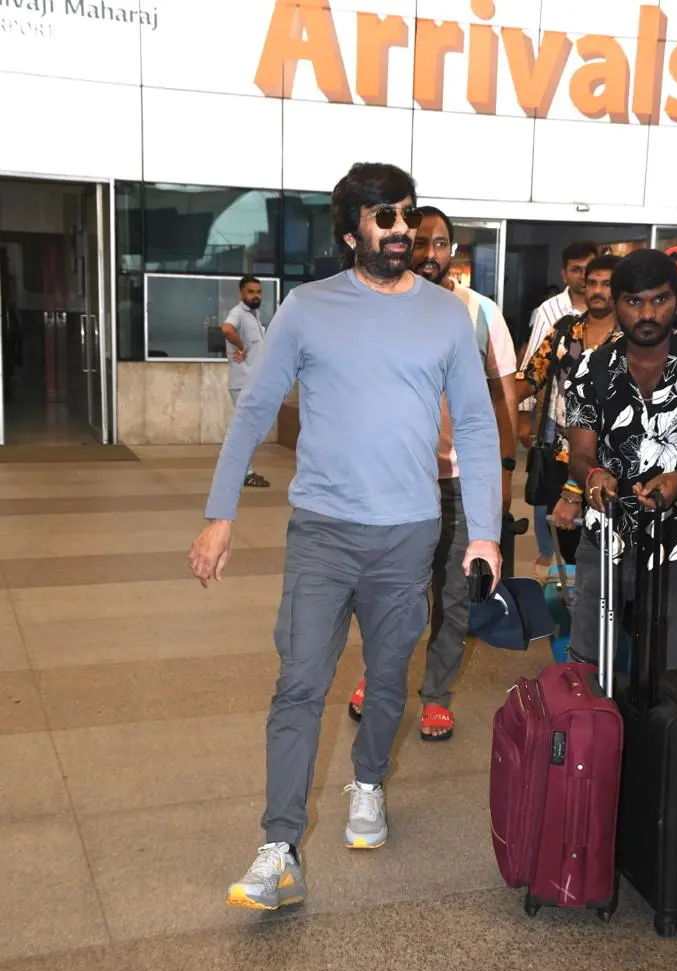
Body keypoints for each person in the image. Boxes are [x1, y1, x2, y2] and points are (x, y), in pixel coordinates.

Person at [188, 162, 502, 911]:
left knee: (388, 678)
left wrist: (484, 533)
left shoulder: (444, 315)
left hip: (408, 532)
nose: (401, 232)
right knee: (298, 682)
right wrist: (218, 512)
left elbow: (480, 428)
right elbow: (255, 408)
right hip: (323, 532)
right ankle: (278, 845)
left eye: (406, 218)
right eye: (384, 218)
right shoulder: (305, 308)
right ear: (350, 230)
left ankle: (367, 784)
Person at [347, 205, 517, 741]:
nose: (429, 254)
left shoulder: (480, 312)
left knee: (455, 595)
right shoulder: (374, 308)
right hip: (395, 480)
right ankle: (378, 676)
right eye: (420, 242)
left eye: (440, 244)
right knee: (393, 591)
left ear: (453, 252)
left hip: (464, 482)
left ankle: (436, 694)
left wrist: (503, 473)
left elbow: (504, 400)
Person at [564, 248, 677, 669]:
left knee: (671, 672)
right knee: (590, 666)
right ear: (615, 304)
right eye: (634, 301)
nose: (648, 312)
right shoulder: (590, 371)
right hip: (606, 537)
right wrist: (593, 474)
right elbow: (579, 452)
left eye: (660, 299)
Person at [517, 255, 622, 564]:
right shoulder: (566, 330)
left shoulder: (628, 341)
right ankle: (577, 605)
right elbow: (532, 374)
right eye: (592, 283)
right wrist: (493, 397)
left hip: (606, 460)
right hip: (559, 453)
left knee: (603, 546)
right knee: (567, 541)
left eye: (607, 284)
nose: (598, 291)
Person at [223, 275, 270, 488]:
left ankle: (240, 471)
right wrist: (241, 345)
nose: (255, 296)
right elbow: (226, 329)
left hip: (253, 382)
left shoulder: (254, 316)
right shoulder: (238, 313)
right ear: (242, 293)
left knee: (248, 430)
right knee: (247, 431)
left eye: (258, 292)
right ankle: (245, 472)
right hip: (243, 382)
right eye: (251, 292)